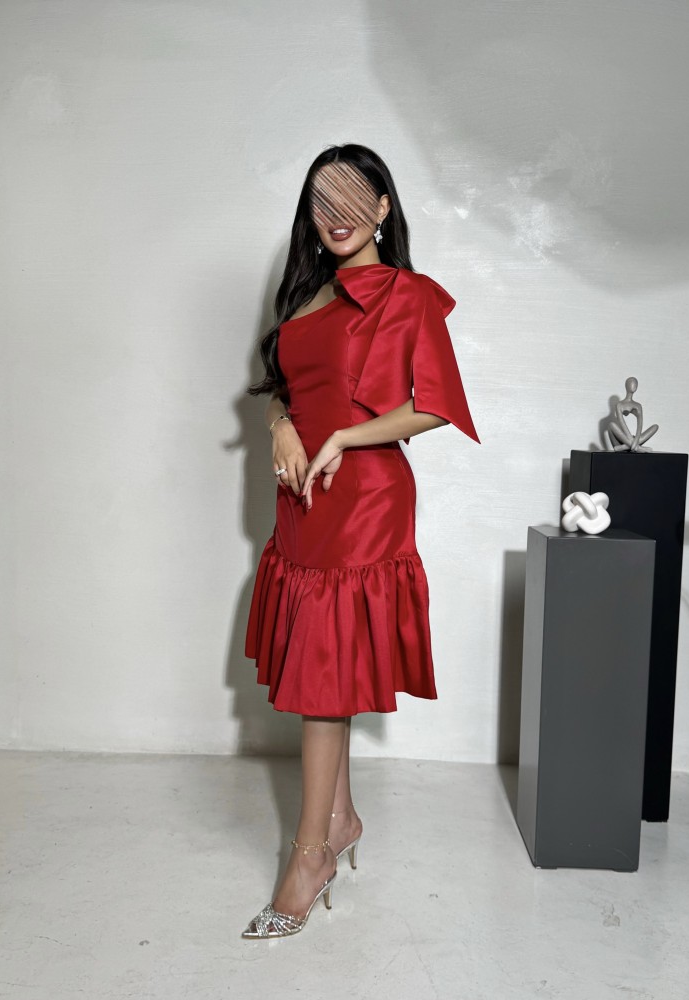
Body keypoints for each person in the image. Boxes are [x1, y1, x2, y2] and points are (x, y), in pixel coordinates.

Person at [241, 144, 480, 938]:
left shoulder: (407, 295)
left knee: (323, 673)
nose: (335, 214)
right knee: (326, 662)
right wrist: (280, 425)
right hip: (302, 499)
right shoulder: (307, 293)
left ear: (383, 207)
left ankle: (309, 855)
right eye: (321, 200)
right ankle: (340, 820)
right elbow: (282, 386)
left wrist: (345, 436)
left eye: (352, 197)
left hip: (365, 498)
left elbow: (436, 405)